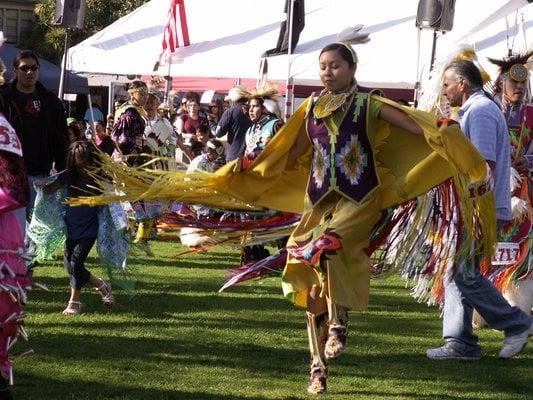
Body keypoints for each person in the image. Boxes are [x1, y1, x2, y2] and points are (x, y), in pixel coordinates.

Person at [71, 43, 496, 396]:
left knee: (325, 245)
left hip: (360, 198)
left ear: (351, 69)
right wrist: (250, 168)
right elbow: (290, 153)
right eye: (323, 67)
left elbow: (415, 127)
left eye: (336, 66)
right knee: (303, 267)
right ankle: (317, 365)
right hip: (318, 202)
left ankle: (341, 322)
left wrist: (444, 133)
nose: (328, 73)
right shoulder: (310, 108)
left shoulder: (369, 105)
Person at [426, 60, 532, 361]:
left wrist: (470, 208)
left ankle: (517, 323)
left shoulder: (481, 112)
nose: (445, 92)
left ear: (462, 83)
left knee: (464, 272)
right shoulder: (475, 110)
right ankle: (460, 342)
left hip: (479, 207)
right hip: (472, 206)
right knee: (457, 271)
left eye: (447, 84)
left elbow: (482, 168)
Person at [0, 49, 68, 244]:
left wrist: (62, 171)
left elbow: (60, 138)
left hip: (40, 171)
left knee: (39, 224)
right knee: (13, 220)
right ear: (15, 70)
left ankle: (27, 263)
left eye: (33, 68)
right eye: (24, 68)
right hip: (9, 172)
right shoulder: (3, 98)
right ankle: (17, 261)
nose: (29, 72)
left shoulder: (50, 101)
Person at [62, 140, 114, 315]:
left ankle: (74, 302)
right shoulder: (68, 176)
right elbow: (50, 188)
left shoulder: (100, 180)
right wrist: (43, 187)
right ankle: (101, 285)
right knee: (70, 266)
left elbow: (112, 196)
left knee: (76, 263)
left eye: (88, 167)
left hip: (90, 229)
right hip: (71, 228)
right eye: (80, 168)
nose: (84, 171)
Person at [215, 85, 252, 161]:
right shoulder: (252, 110)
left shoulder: (230, 112)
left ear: (232, 100)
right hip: (251, 155)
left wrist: (211, 122)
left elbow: (218, 133)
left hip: (234, 155)